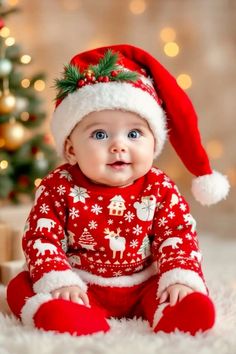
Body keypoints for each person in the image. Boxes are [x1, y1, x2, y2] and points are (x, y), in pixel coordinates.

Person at [7, 44, 229, 336]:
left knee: (175, 290)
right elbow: (41, 236)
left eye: (134, 133)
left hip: (143, 283)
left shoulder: (160, 188)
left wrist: (179, 278)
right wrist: (60, 281)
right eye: (100, 134)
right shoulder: (58, 186)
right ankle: (65, 315)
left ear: (154, 143)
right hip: (80, 285)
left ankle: (173, 313)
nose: (118, 145)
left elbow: (177, 233)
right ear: (71, 150)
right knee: (20, 286)